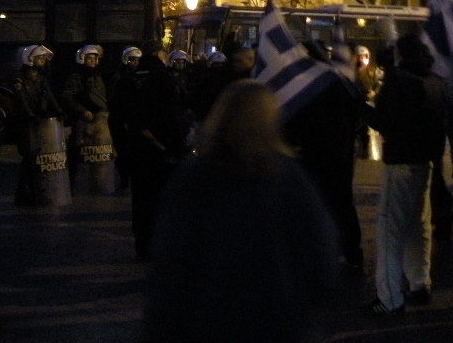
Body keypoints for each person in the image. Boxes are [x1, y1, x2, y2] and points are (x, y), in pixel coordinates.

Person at [144, 80, 339, 343]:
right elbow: (321, 250)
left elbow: (170, 259)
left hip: (209, 320)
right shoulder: (288, 177)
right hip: (277, 319)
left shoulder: (194, 176)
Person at [363, 33, 448, 316]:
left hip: (400, 164)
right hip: (426, 163)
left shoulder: (399, 82)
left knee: (390, 233)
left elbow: (386, 123)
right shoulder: (436, 82)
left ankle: (389, 298)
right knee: (418, 228)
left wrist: (360, 108)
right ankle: (419, 283)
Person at [284, 40, 365, 269]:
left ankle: (323, 251)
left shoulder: (307, 85)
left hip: (316, 150)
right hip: (340, 150)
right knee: (342, 201)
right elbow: (357, 112)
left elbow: (298, 117)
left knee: (318, 201)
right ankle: (351, 251)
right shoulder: (339, 82)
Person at [128, 49, 191, 260]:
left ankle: (143, 245)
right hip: (162, 153)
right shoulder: (164, 82)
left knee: (141, 201)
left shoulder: (130, 81)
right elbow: (174, 116)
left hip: (139, 153)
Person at [12, 44, 63, 205]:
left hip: (37, 121)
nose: (42, 60)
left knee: (37, 158)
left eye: (43, 58)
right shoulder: (19, 78)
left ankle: (35, 192)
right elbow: (21, 100)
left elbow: (48, 95)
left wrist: (58, 111)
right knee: (29, 158)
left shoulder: (40, 77)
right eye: (39, 57)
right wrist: (30, 115)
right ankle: (23, 195)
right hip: (25, 123)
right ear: (30, 59)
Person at [59, 44, 108, 191]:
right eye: (89, 58)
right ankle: (72, 183)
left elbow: (101, 97)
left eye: (94, 58)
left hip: (98, 120)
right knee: (76, 148)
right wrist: (82, 110)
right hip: (81, 119)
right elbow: (69, 97)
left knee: (98, 151)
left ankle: (97, 181)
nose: (92, 61)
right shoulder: (76, 77)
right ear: (82, 59)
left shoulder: (98, 76)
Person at [107, 46, 142, 193]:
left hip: (134, 119)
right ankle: (123, 181)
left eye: (137, 60)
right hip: (120, 119)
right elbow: (113, 97)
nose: (134, 63)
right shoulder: (118, 76)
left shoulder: (140, 76)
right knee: (122, 152)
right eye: (132, 59)